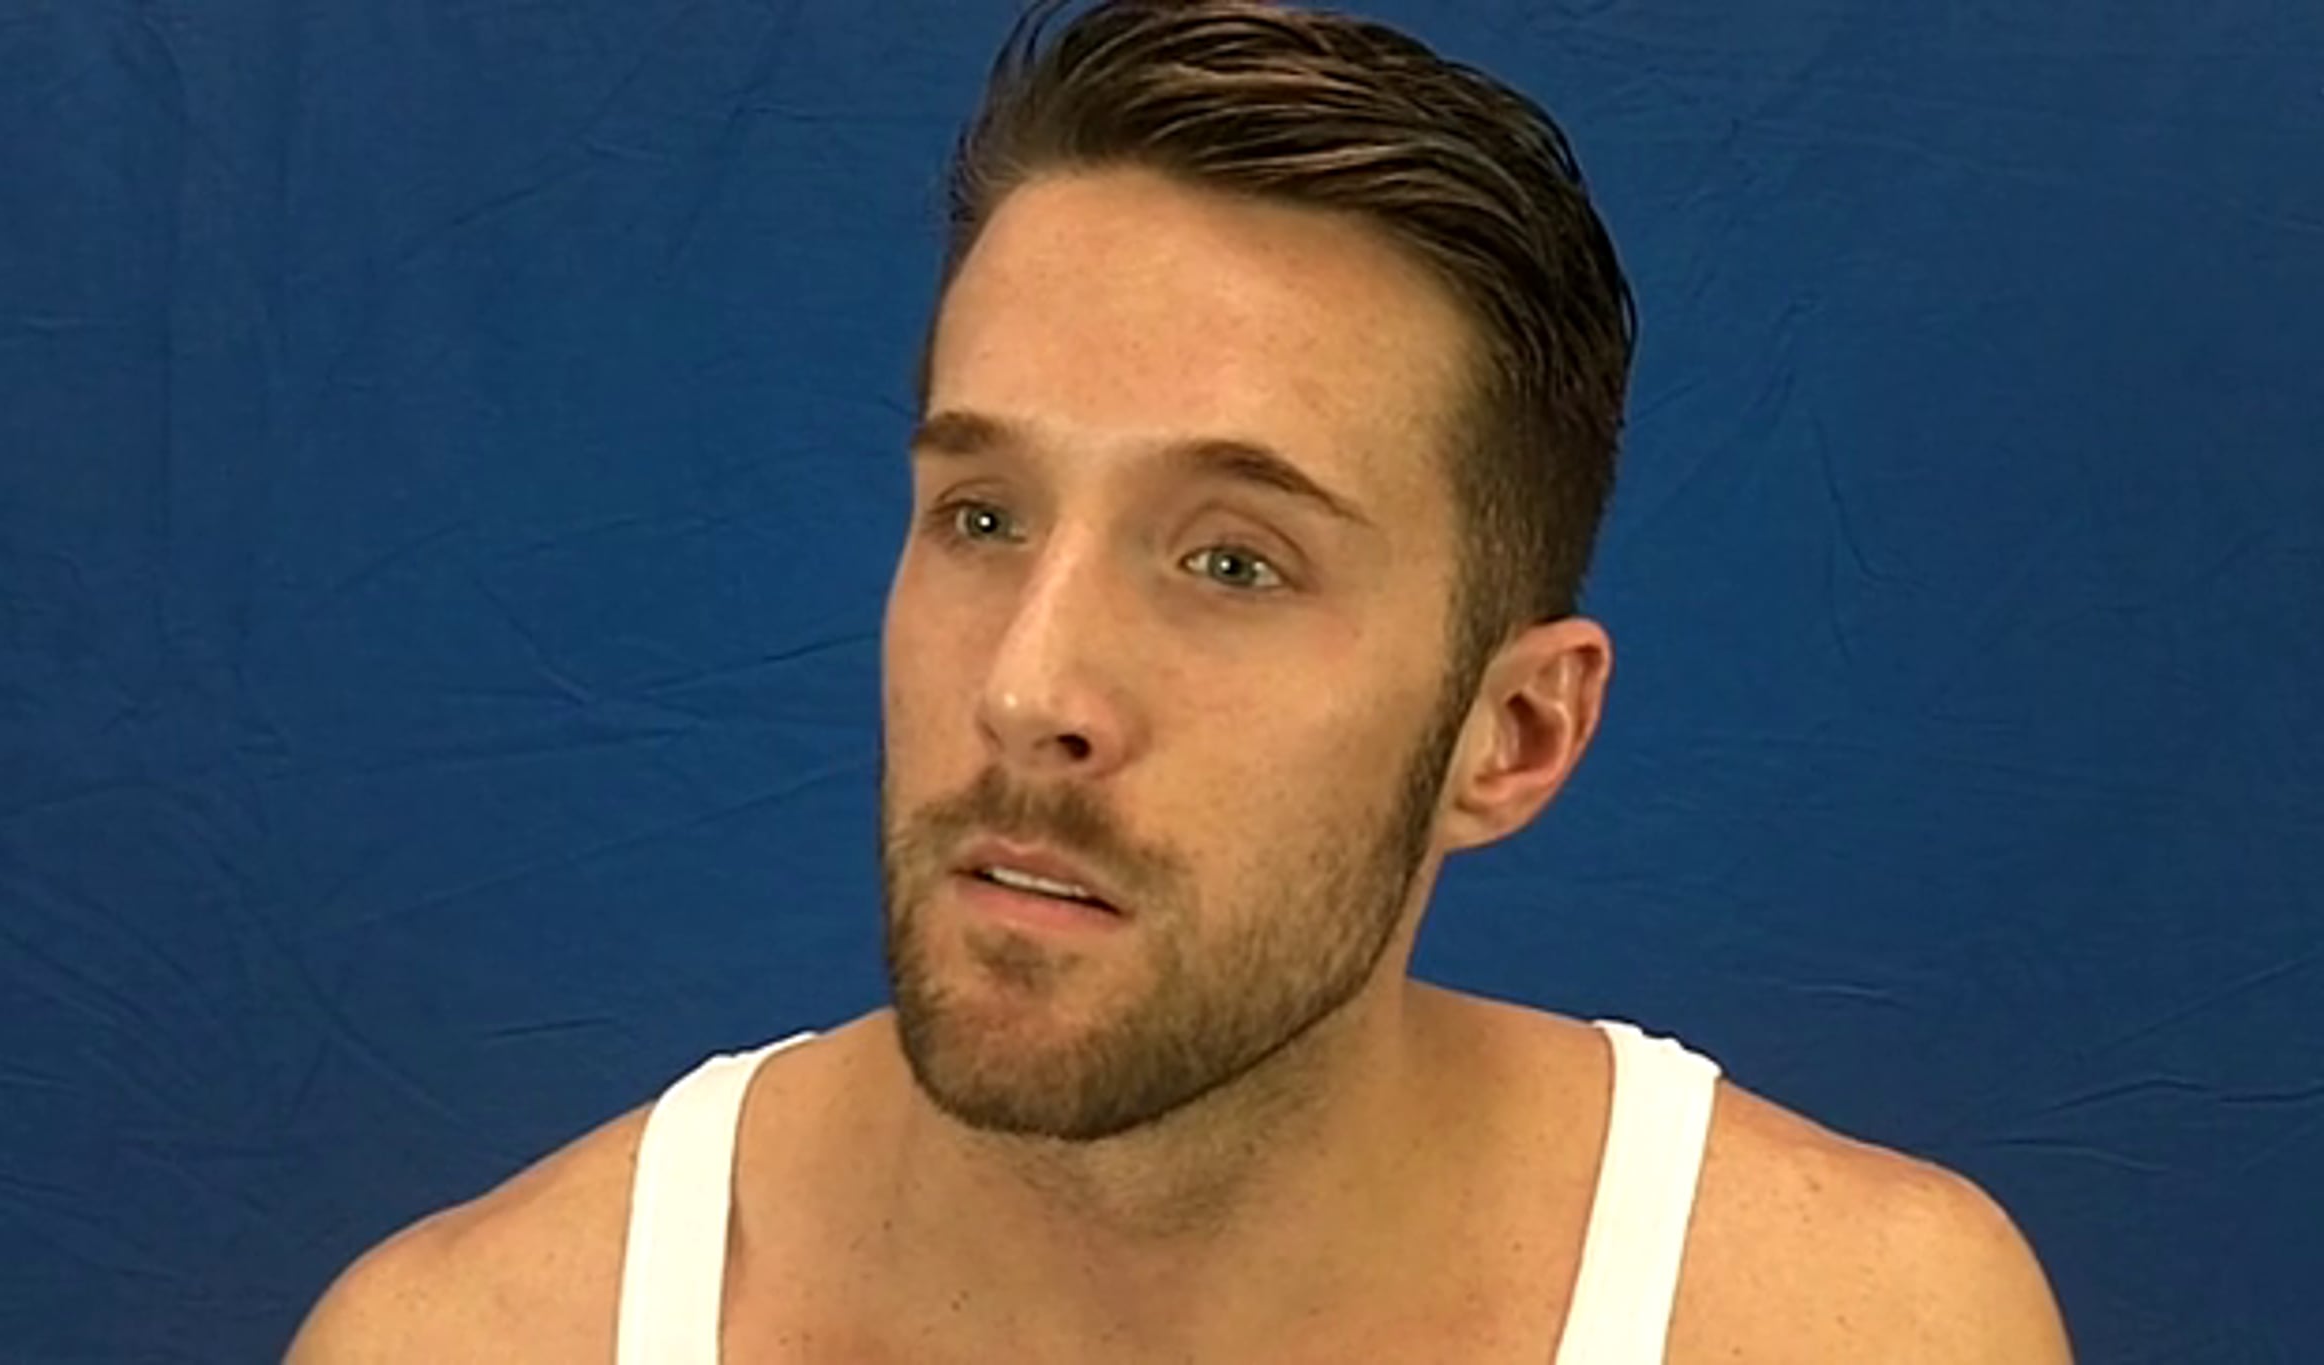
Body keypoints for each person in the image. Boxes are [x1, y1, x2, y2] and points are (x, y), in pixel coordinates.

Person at [288, 2, 2073, 1360]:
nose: (1028, 687)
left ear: (1515, 734)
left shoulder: (1856, 1321)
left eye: (1233, 560)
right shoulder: (478, 1334)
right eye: (982, 514)